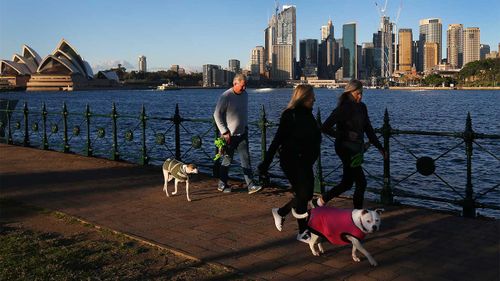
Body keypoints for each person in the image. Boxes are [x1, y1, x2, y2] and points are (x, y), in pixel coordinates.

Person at [258, 84, 321, 243]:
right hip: (291, 161)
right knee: (303, 194)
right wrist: (266, 163)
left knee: (306, 195)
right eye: (312, 96)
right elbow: (277, 139)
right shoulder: (290, 115)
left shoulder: (309, 115)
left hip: (306, 161)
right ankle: (302, 231)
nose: (314, 99)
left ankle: (281, 212)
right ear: (304, 97)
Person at [316, 79, 386, 209]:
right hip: (344, 148)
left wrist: (380, 147)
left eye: (361, 93)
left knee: (347, 183)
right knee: (361, 182)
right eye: (357, 93)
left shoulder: (362, 107)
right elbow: (325, 127)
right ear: (349, 92)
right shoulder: (343, 109)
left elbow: (368, 128)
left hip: (356, 149)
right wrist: (345, 135)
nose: (360, 96)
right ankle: (358, 215)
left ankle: (319, 202)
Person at [213, 74, 262, 194]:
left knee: (246, 159)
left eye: (245, 85)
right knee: (227, 160)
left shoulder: (245, 94)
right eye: (242, 86)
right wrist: (224, 131)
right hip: (229, 135)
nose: (244, 88)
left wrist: (245, 127)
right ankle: (222, 184)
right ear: (235, 84)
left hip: (242, 133)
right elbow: (216, 114)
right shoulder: (226, 96)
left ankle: (251, 186)